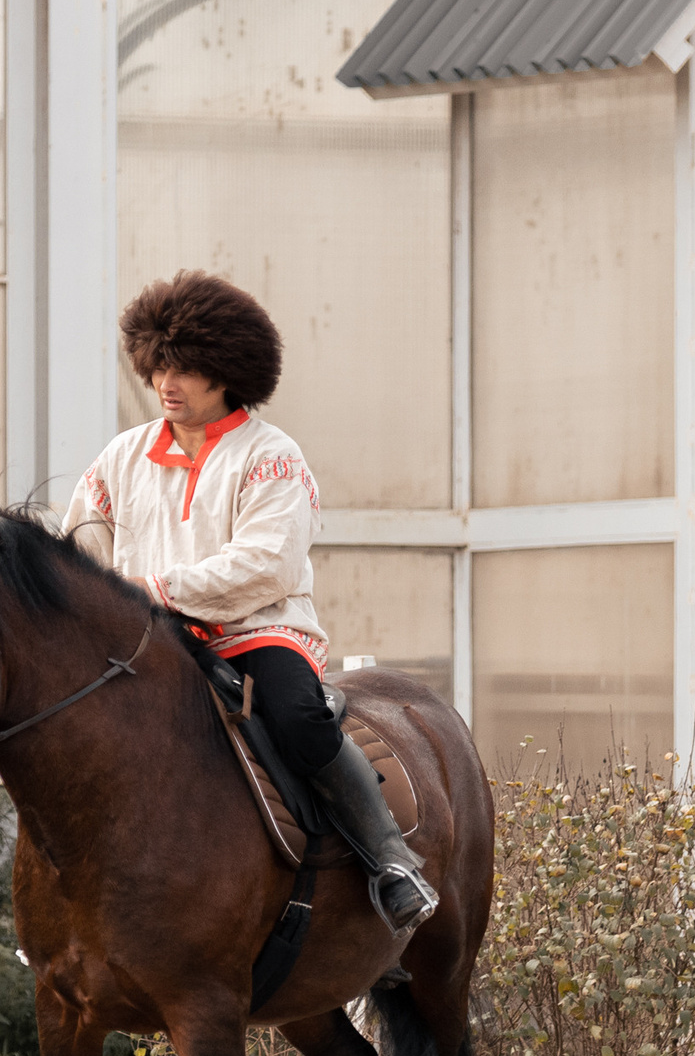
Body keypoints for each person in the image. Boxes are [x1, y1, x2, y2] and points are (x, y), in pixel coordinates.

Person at [64, 271, 438, 934]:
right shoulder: (123, 456)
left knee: (299, 715)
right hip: (148, 638)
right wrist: (104, 600)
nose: (166, 384)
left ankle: (389, 857)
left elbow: (267, 564)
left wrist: (154, 589)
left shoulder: (272, 457)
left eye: (186, 369)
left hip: (254, 631)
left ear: (228, 371)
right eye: (157, 368)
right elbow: (84, 529)